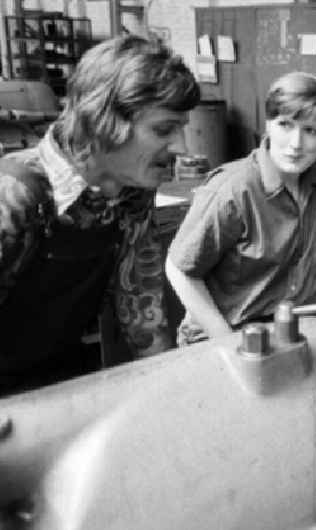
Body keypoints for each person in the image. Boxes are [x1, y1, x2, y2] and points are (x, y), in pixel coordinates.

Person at [0, 35, 200, 394]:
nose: (183, 148)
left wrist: (168, 390)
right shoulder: (15, 196)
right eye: (163, 129)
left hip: (61, 378)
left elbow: (140, 300)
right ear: (104, 120)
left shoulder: (132, 190)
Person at [166, 72, 316, 344]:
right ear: (268, 124)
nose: (296, 144)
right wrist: (226, 342)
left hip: (293, 331)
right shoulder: (234, 189)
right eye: (285, 125)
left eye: (311, 131)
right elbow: (179, 268)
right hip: (228, 336)